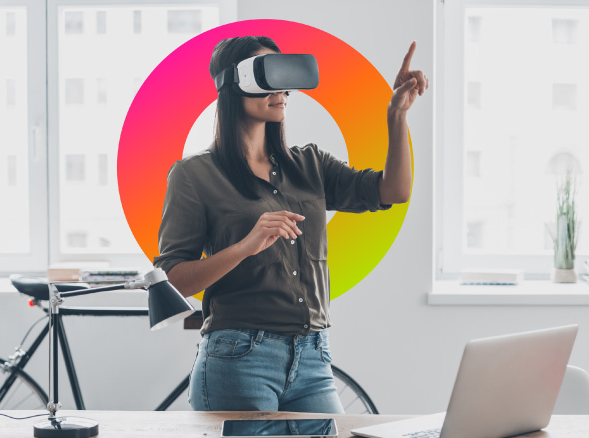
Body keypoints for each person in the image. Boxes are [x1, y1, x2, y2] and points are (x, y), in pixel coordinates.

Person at [153, 36, 428, 413]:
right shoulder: (194, 175)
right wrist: (246, 246)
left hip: (313, 356)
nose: (282, 89)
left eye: (285, 76)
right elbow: (174, 279)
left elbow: (392, 190)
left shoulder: (310, 164)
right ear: (233, 85)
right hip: (239, 358)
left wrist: (397, 115)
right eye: (268, 76)